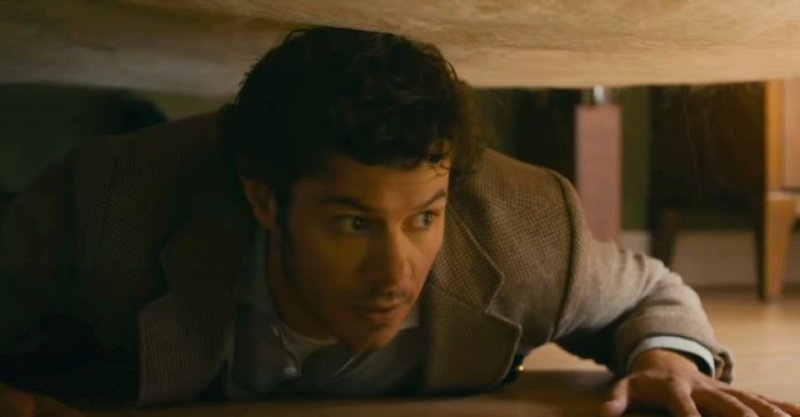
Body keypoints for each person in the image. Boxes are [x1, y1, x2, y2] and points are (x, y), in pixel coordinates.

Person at [0, 27, 796, 417]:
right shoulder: (103, 209)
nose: (395, 272)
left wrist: (668, 358)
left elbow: (650, 291)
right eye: (353, 224)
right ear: (265, 200)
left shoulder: (528, 232)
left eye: (423, 217)